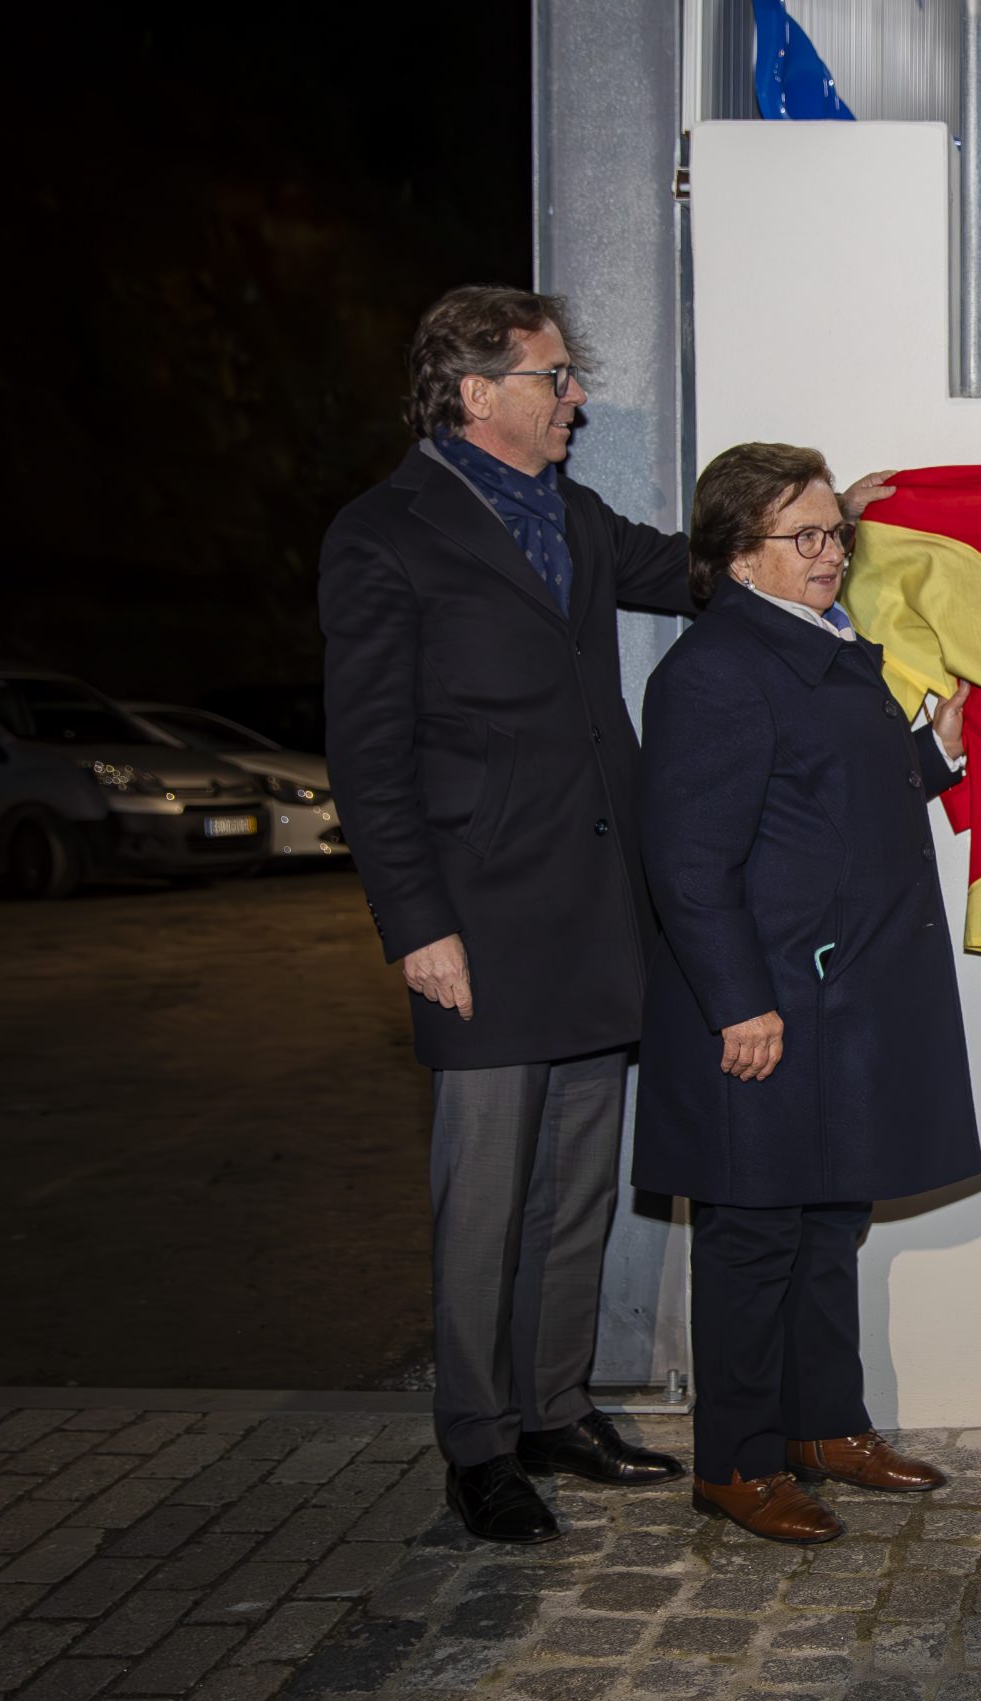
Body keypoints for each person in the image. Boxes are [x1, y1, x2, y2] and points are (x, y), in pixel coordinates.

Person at [321, 286, 889, 1545]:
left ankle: (552, 1408)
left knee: (575, 1187)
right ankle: (476, 1445)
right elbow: (365, 753)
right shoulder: (384, 534)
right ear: (480, 395)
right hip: (476, 920)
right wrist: (415, 922)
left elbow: (702, 569)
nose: (577, 398)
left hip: (595, 908)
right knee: (483, 1199)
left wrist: (834, 529)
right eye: (557, 377)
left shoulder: (571, 514)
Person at [635, 442, 981, 1544]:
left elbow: (833, 789)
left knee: (827, 1221)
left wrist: (935, 754)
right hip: (769, 1005)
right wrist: (739, 1003)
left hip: (841, 1001)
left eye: (837, 533)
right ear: (738, 558)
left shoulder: (821, 649)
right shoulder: (714, 671)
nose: (832, 555)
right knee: (750, 1234)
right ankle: (733, 1464)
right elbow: (687, 862)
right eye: (806, 537)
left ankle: (822, 1427)